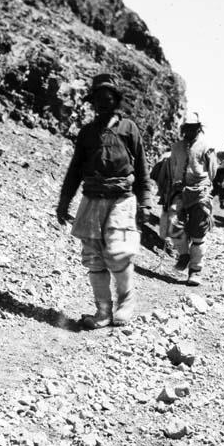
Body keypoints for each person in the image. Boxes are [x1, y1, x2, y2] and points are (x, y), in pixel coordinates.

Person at [56, 73, 152, 328]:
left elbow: (142, 169)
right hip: (92, 199)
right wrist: (64, 201)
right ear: (93, 102)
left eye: (107, 98)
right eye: (98, 98)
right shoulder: (87, 133)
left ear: (115, 100)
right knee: (94, 257)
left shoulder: (128, 128)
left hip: (121, 198)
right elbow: (75, 169)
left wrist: (145, 202)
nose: (102, 103)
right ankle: (103, 312)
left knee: (118, 252)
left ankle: (126, 303)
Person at [167, 112, 217, 286]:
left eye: (193, 128)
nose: (189, 131)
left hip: (199, 193)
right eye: (186, 127)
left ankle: (195, 271)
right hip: (180, 190)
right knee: (173, 224)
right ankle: (184, 254)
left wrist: (204, 187)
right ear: (183, 128)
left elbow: (212, 171)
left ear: (199, 128)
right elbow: (174, 167)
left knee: (198, 232)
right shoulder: (176, 147)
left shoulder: (206, 146)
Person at [150, 151, 173, 254]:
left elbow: (155, 176)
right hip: (169, 188)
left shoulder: (167, 156)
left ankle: (165, 238)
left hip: (168, 189)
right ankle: (165, 240)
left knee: (167, 210)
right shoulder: (168, 158)